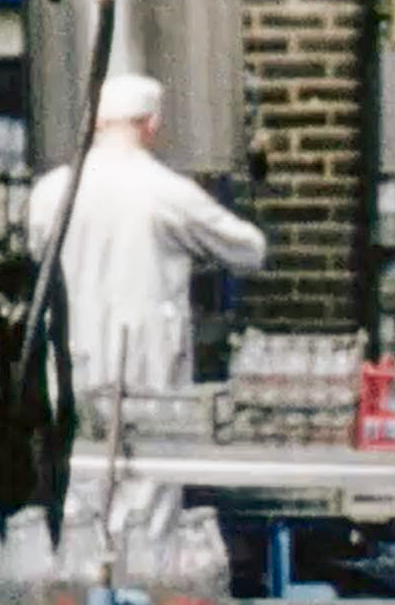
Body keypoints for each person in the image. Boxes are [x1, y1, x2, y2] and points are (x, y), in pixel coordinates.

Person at [27, 73, 266, 395]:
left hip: (70, 358)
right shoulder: (167, 191)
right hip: (147, 368)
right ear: (152, 124)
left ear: (96, 123)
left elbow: (36, 257)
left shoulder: (50, 190)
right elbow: (250, 249)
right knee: (146, 439)